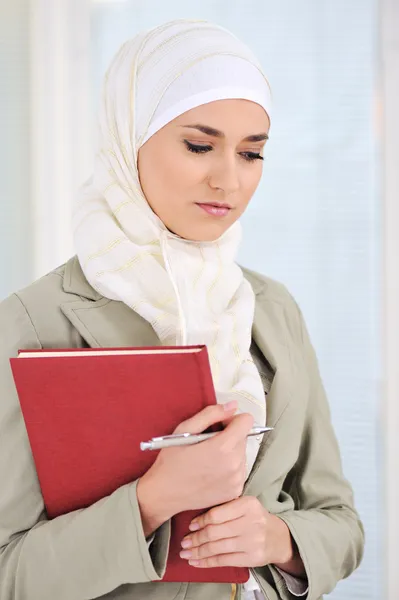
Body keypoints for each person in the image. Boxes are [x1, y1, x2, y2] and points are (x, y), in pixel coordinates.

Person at [0, 18, 364, 600]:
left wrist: (276, 539)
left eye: (252, 154)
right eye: (200, 145)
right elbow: (7, 571)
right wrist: (149, 505)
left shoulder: (273, 312)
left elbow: (340, 522)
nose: (229, 180)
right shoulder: (35, 321)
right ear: (129, 136)